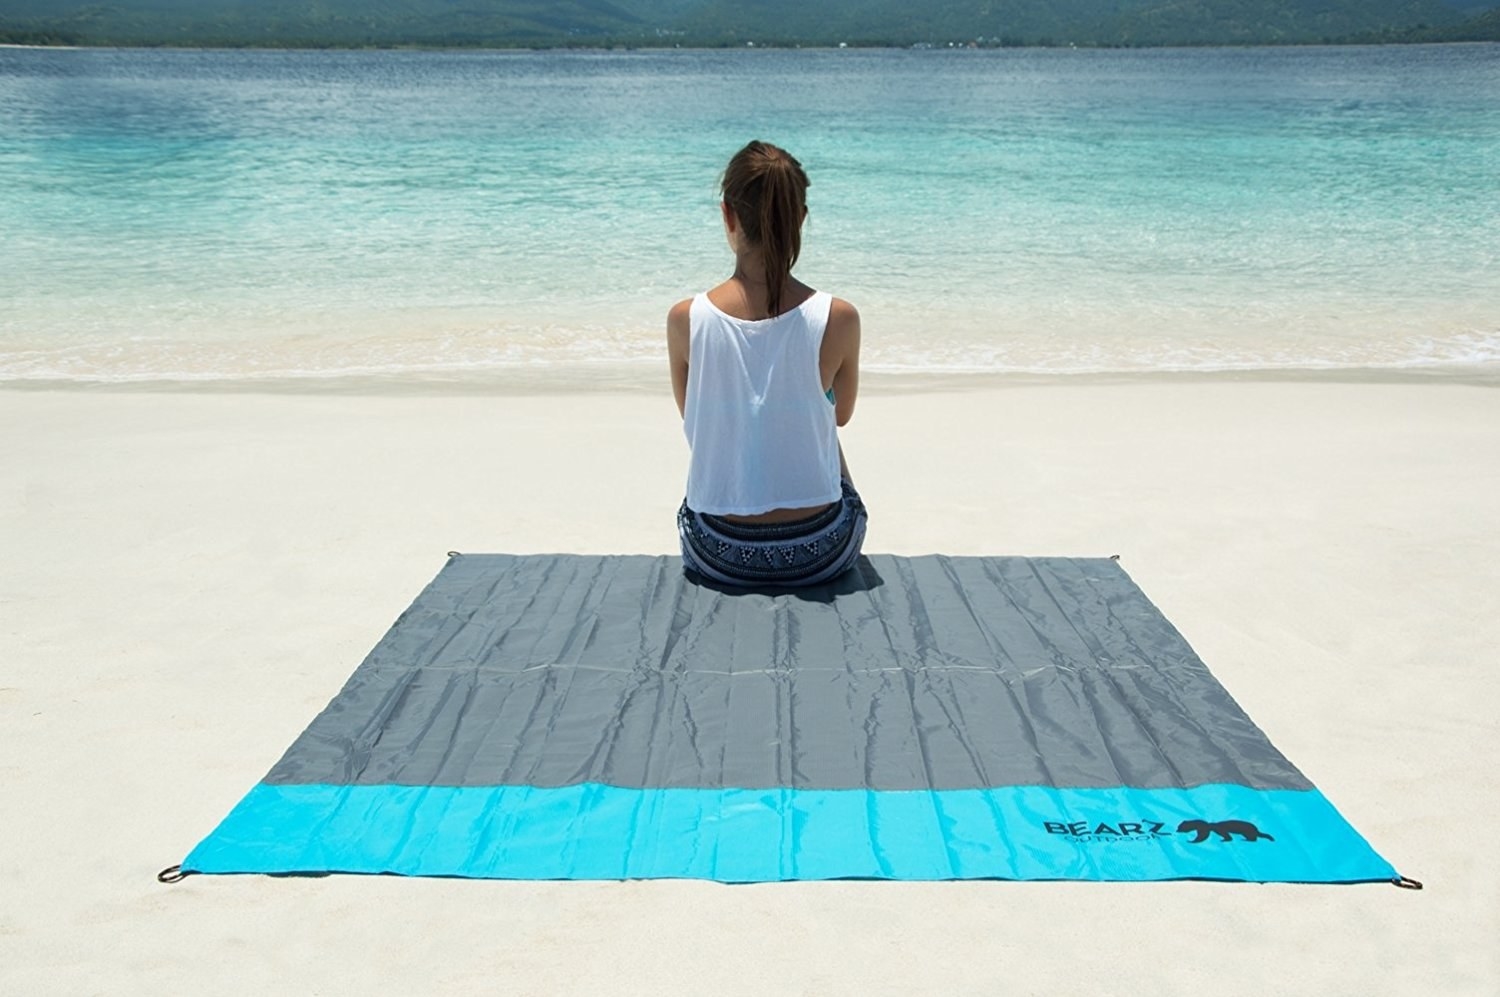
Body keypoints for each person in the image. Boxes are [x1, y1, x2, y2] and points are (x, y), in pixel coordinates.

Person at [667, 140, 867, 588]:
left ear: (728, 215)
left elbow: (697, 420)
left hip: (717, 550)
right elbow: (842, 415)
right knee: (822, 423)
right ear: (800, 218)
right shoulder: (839, 317)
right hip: (820, 550)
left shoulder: (686, 319)